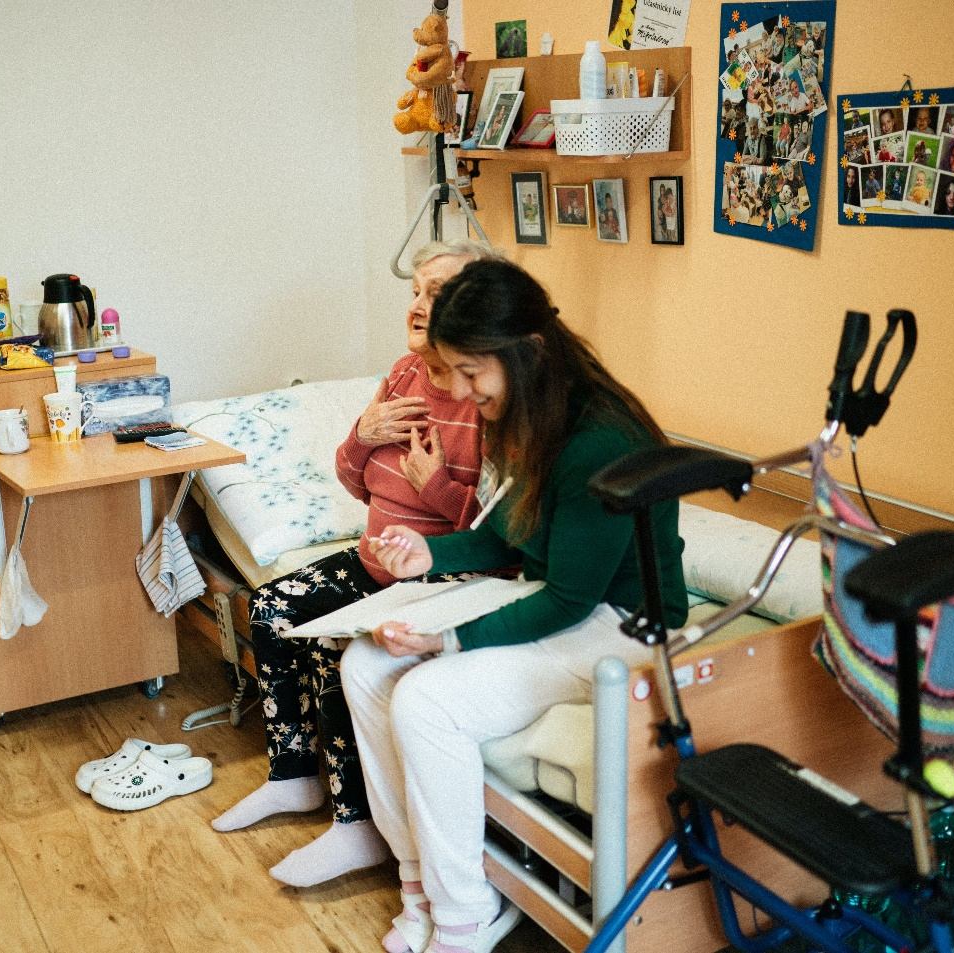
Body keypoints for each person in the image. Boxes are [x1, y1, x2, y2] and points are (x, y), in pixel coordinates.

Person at [339, 259, 687, 953]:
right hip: (564, 605)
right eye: (454, 372)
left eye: (471, 372)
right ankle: (420, 886)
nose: (462, 392)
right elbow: (511, 528)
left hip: (624, 628)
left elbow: (565, 599)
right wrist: (428, 556)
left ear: (526, 349)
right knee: (363, 664)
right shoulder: (533, 411)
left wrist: (450, 639)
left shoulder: (598, 440)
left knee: (426, 699)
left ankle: (465, 919)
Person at [210, 239, 500, 888]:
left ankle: (355, 822)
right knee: (271, 607)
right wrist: (362, 435)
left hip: (437, 575)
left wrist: (436, 490)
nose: (420, 306)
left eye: (439, 293)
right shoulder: (402, 373)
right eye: (417, 291)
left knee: (334, 647)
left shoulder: (482, 394)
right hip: (374, 559)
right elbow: (356, 482)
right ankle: (291, 775)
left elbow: (496, 535)